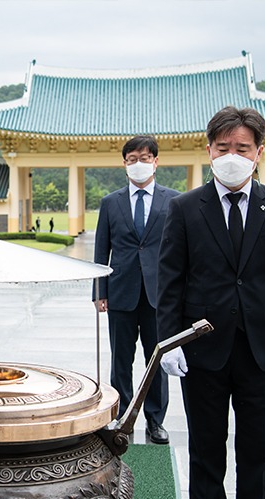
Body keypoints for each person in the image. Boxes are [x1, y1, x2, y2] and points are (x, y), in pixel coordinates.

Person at [157, 106, 265, 499]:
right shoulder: (186, 207)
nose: (232, 155)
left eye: (242, 148)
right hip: (203, 345)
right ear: (209, 150)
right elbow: (170, 278)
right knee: (207, 445)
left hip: (263, 348)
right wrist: (169, 340)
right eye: (223, 147)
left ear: (259, 152)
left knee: (258, 446)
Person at [93, 135, 179, 444]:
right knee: (121, 361)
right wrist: (98, 292)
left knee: (157, 360)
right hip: (120, 293)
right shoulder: (110, 202)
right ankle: (122, 417)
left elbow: (181, 251)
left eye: (145, 158)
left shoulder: (174, 201)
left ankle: (156, 421)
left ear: (156, 161)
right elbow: (101, 251)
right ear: (124, 163)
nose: (138, 164)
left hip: (160, 295)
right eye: (132, 159)